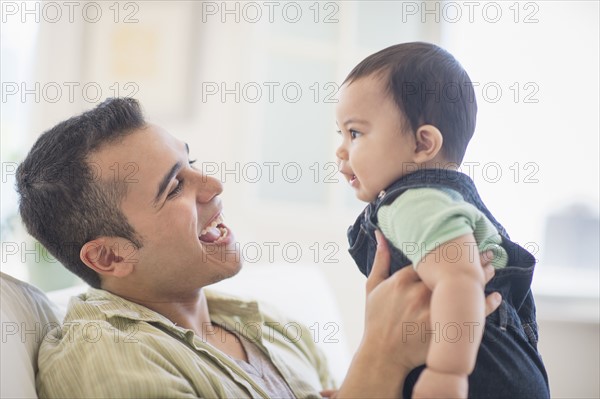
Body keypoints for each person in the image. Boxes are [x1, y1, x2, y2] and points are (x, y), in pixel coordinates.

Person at [16, 97, 501, 398]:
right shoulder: (106, 359)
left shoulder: (268, 324)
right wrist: (382, 356)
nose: (213, 185)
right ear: (110, 256)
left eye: (193, 163)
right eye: (172, 188)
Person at [335, 42, 550, 398]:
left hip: (481, 376)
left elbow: (461, 277)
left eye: (355, 133)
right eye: (340, 135)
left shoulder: (414, 202)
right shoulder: (435, 200)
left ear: (423, 144)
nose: (342, 149)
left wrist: (446, 373)